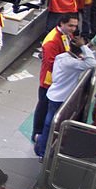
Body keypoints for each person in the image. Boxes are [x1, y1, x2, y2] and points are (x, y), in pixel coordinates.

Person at [35, 36, 96, 158]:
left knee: (49, 122)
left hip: (54, 93)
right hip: (60, 97)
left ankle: (42, 144)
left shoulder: (62, 57)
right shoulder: (72, 63)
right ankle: (42, 150)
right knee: (51, 124)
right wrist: (84, 46)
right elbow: (92, 63)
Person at [33, 14, 78, 144]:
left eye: (75, 26)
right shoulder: (52, 41)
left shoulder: (67, 35)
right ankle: (37, 133)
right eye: (71, 25)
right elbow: (51, 62)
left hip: (60, 78)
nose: (73, 29)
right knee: (43, 106)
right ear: (61, 24)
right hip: (49, 80)